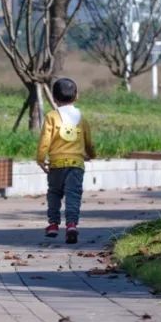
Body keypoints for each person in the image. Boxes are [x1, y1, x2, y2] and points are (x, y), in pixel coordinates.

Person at [36, 78, 96, 244]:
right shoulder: (82, 118)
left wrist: (40, 158)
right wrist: (91, 154)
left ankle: (53, 224)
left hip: (56, 165)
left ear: (54, 98)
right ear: (76, 96)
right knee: (73, 195)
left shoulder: (51, 117)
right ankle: (71, 225)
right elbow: (88, 142)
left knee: (54, 193)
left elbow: (45, 140)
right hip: (76, 166)